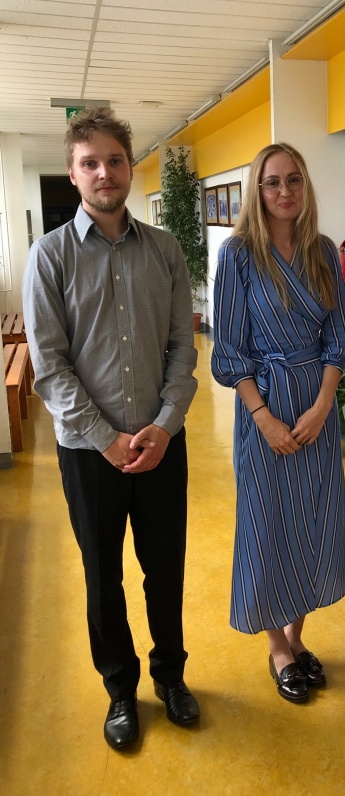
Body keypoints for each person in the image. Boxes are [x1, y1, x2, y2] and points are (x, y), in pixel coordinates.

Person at [22, 108, 200, 749]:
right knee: (104, 575)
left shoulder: (166, 250)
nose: (104, 172)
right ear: (73, 174)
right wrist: (105, 437)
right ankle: (120, 690)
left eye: (115, 160)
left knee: (166, 570)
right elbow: (51, 365)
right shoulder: (50, 257)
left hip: (160, 446)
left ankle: (172, 676)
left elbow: (183, 348)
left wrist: (164, 424)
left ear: (131, 166)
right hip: (89, 453)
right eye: (90, 163)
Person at [211, 143, 345, 703]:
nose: (284, 192)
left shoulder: (322, 251)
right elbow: (229, 350)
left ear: (305, 186)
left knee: (313, 525)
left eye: (293, 180)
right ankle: (277, 646)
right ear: (257, 189)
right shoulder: (238, 257)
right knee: (267, 528)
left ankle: (298, 638)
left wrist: (323, 408)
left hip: (315, 414)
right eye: (272, 182)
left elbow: (339, 340)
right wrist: (264, 418)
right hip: (264, 410)